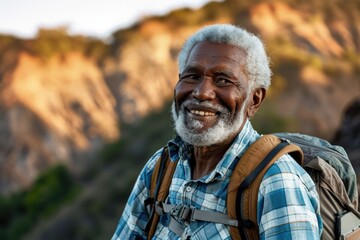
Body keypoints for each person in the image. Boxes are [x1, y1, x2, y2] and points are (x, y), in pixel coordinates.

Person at [112, 24, 323, 239]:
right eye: (192, 76)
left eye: (223, 80)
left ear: (254, 99)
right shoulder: (161, 167)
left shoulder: (275, 180)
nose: (201, 92)